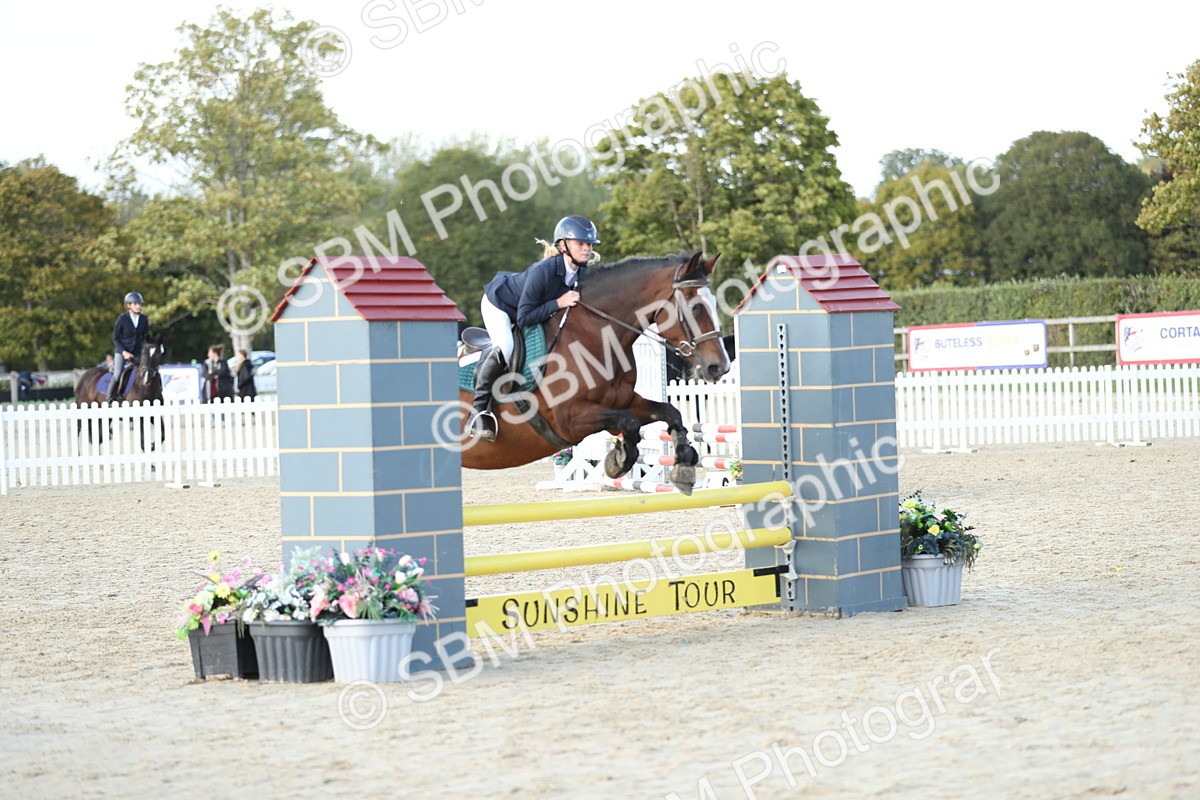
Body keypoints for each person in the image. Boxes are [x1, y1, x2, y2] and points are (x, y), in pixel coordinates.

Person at [467, 214, 599, 441]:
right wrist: (558, 303)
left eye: (589, 244)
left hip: (525, 307)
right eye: (581, 243)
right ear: (564, 245)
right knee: (505, 346)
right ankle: (478, 412)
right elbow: (525, 317)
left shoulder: (581, 273)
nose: (587, 249)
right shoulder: (544, 271)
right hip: (499, 305)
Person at [107, 292, 149, 402]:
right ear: (128, 305)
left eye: (140, 304)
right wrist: (124, 352)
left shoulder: (144, 319)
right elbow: (115, 338)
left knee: (149, 370)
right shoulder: (122, 319)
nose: (138, 306)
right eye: (135, 304)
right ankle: (110, 398)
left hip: (137, 353)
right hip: (122, 352)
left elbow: (145, 337)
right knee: (117, 374)